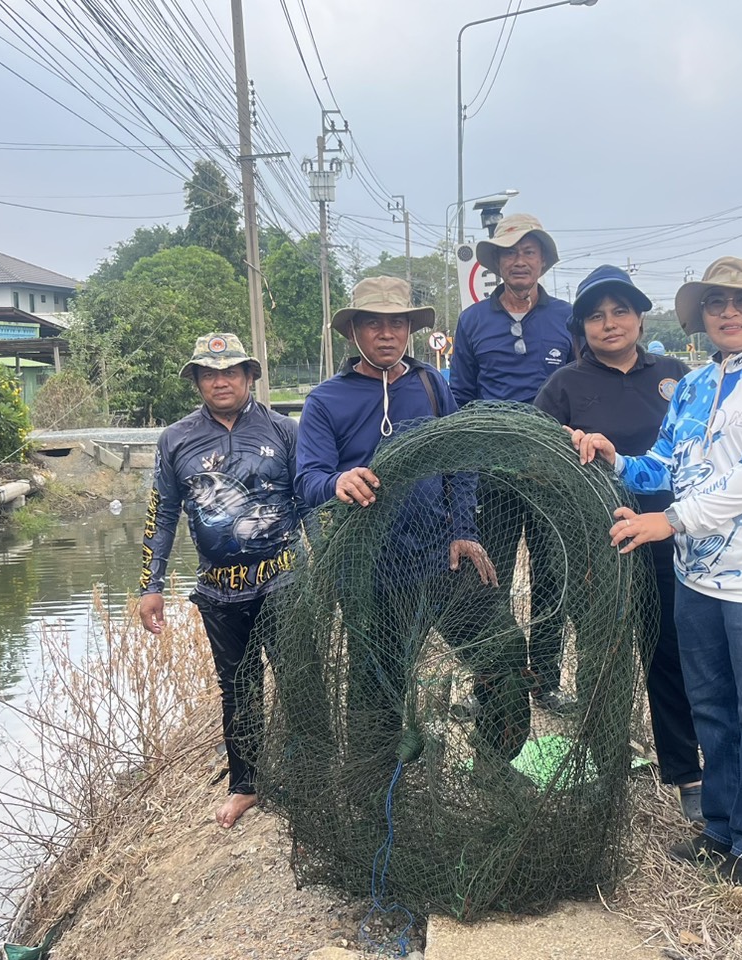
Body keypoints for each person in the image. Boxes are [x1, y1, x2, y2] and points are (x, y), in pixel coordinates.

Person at [573, 257, 742, 889]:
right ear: (701, 315)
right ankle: (720, 830)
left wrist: (673, 523)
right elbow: (665, 465)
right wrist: (616, 460)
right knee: (712, 707)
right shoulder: (693, 385)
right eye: (716, 302)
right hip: (699, 580)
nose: (729, 312)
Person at [295, 276, 527, 780]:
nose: (386, 333)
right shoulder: (325, 400)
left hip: (443, 556)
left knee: (503, 652)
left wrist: (466, 530)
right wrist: (338, 480)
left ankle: (494, 761)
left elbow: (460, 462)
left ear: (410, 329)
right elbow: (307, 480)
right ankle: (376, 788)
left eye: (396, 323)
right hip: (375, 574)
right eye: (373, 323)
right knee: (378, 688)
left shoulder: (431, 385)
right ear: (353, 331)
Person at [533, 264, 703, 823]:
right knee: (602, 658)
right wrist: (567, 445)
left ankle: (685, 772)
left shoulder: (676, 374)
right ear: (581, 328)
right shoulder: (564, 386)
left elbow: (699, 453)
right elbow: (540, 466)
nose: (611, 324)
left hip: (668, 538)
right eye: (597, 316)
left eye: (621, 311)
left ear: (638, 316)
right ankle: (601, 771)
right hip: (597, 547)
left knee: (669, 656)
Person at [137, 332, 300, 828]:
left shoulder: (285, 430)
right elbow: (161, 513)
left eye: (231, 371)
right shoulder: (176, 439)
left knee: (301, 677)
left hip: (285, 579)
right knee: (238, 687)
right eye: (209, 374)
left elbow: (312, 501)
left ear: (250, 376)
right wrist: (151, 584)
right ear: (197, 382)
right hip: (219, 588)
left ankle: (309, 771)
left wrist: (333, 564)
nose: (220, 381)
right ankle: (246, 784)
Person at [451, 213, 577, 712]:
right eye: (510, 253)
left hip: (551, 472)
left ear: (542, 260)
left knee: (552, 577)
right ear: (497, 265)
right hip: (492, 475)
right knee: (489, 580)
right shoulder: (473, 320)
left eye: (529, 251)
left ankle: (544, 682)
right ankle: (492, 684)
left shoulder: (568, 317)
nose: (520, 260)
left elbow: (581, 386)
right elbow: (460, 396)